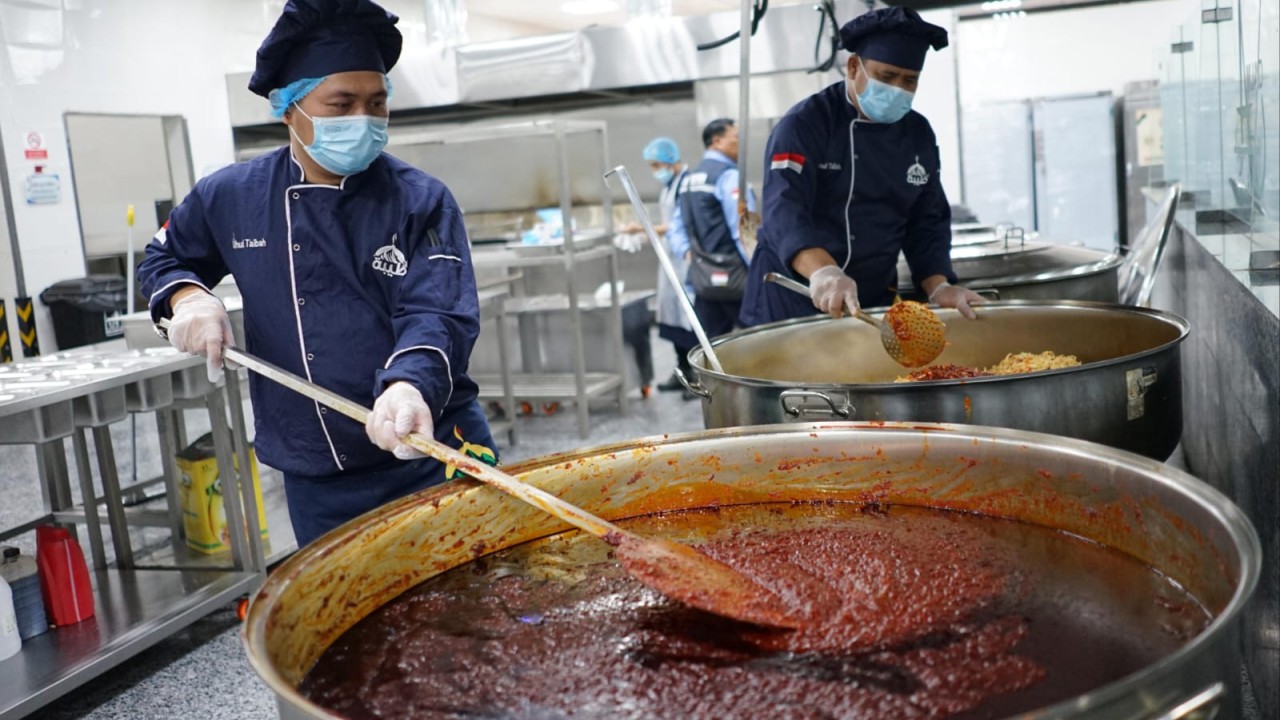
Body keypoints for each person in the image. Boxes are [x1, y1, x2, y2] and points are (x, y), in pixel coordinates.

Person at [137, 0, 496, 547]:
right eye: (342, 103)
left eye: (377, 103)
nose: (365, 119)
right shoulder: (231, 197)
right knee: (349, 624)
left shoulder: (421, 199)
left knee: (473, 607)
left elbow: (438, 314)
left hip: (433, 449)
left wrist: (407, 387)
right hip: (316, 471)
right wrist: (189, 300)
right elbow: (164, 257)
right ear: (289, 109)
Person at [739, 7, 984, 327]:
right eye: (886, 77)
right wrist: (824, 271)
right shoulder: (805, 124)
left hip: (871, 301)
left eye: (910, 81)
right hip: (795, 299)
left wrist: (938, 286)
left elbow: (927, 220)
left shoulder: (917, 133)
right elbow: (784, 210)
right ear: (854, 67)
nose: (898, 89)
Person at [618, 137, 697, 395]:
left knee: (689, 318)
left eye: (656, 165)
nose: (655, 171)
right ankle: (681, 371)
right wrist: (645, 235)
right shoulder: (669, 187)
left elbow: (678, 226)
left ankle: (697, 376)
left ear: (670, 160)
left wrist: (641, 227)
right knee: (673, 316)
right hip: (669, 260)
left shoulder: (686, 184)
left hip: (685, 261)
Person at [679, 118, 756, 339]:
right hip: (738, 280)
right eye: (736, 138)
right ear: (717, 141)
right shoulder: (729, 177)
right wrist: (759, 267)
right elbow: (743, 231)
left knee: (712, 347)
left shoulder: (689, 179)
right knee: (757, 342)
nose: (740, 143)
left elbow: (678, 227)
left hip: (704, 280)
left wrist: (689, 254)